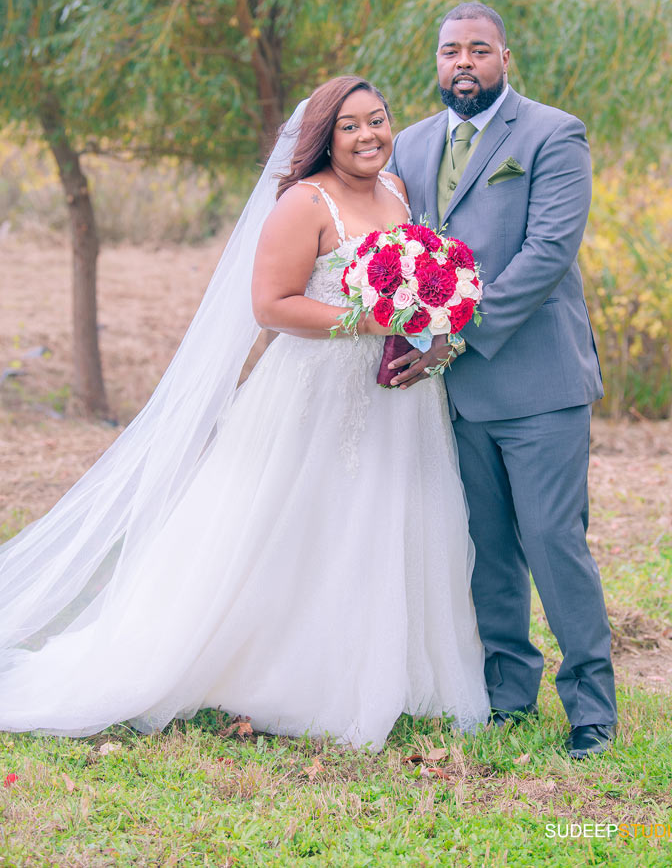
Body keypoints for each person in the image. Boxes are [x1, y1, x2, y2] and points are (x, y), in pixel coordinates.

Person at [0, 76, 489, 750]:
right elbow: (272, 306)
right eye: (350, 125)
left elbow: (415, 288)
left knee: (381, 517)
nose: (370, 134)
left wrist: (429, 326)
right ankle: (275, 671)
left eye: (378, 120)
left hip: (395, 396)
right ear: (325, 134)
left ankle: (381, 670)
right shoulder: (303, 203)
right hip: (316, 390)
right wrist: (371, 318)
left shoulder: (398, 191)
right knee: (287, 522)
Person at [387, 3, 617, 759]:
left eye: (478, 50)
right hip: (448, 391)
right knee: (485, 546)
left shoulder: (554, 134)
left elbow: (547, 251)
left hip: (538, 383)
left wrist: (459, 335)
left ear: (504, 58)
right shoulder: (413, 145)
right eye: (451, 51)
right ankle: (508, 693)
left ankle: (591, 706)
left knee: (553, 541)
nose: (464, 63)